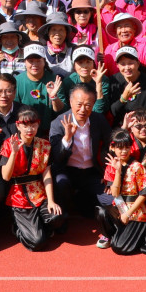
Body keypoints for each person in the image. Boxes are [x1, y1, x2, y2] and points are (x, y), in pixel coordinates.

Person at [1, 108, 65, 251]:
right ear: (18, 126)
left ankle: (38, 226)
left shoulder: (44, 144)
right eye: (25, 125)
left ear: (38, 125)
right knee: (38, 242)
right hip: (19, 196)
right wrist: (14, 153)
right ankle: (17, 228)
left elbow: (46, 174)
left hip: (39, 193)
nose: (29, 129)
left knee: (58, 218)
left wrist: (51, 200)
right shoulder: (9, 143)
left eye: (33, 125)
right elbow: (5, 176)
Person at [49, 83, 112, 219]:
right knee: (61, 183)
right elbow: (57, 158)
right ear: (71, 102)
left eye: (88, 105)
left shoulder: (98, 120)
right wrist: (67, 138)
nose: (83, 109)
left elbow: (111, 146)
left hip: (91, 172)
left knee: (111, 200)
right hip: (67, 170)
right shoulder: (58, 123)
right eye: (79, 104)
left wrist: (109, 174)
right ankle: (63, 217)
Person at [95, 129, 146, 254]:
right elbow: (115, 194)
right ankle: (111, 235)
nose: (124, 151)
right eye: (120, 148)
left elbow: (144, 195)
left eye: (127, 147)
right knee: (101, 211)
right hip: (120, 206)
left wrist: (128, 214)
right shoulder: (112, 166)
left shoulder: (138, 167)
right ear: (113, 148)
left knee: (120, 248)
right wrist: (118, 171)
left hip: (136, 211)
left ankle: (128, 235)